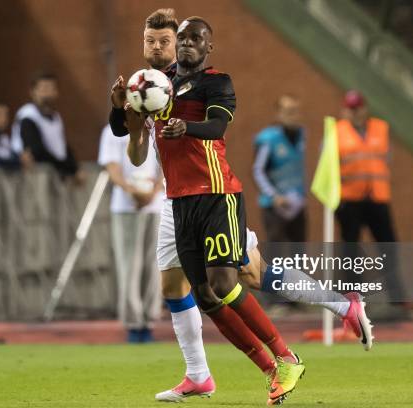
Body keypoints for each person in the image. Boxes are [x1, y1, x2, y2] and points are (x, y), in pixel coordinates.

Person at [111, 9, 373, 404]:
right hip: (177, 199)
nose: (162, 47)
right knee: (194, 288)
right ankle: (201, 373)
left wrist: (183, 125)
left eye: (167, 40)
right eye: (153, 41)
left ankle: (325, 319)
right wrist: (123, 111)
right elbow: (130, 140)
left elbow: (215, 125)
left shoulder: (206, 82)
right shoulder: (149, 87)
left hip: (214, 194)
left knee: (244, 276)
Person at [335, 90, 408, 314]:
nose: (355, 112)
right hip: (349, 200)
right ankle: (353, 300)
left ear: (365, 108)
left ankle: (398, 298)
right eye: (351, 108)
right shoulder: (336, 132)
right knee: (351, 252)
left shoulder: (380, 128)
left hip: (377, 198)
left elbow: (386, 158)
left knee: (388, 247)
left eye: (358, 107)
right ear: (345, 110)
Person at [98, 124, 164, 343]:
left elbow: (165, 165)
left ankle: (149, 320)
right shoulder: (112, 131)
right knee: (130, 265)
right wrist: (132, 192)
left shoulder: (158, 127)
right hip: (126, 206)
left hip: (155, 205)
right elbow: (112, 167)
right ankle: (133, 323)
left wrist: (153, 192)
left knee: (154, 265)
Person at [11, 72, 85, 183]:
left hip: (55, 176)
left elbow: (62, 146)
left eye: (51, 88)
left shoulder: (56, 117)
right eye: (44, 88)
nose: (48, 93)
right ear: (33, 91)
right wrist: (68, 168)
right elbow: (36, 151)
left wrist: (74, 168)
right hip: (35, 177)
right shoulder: (27, 115)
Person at [253, 94, 307, 242]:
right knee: (276, 255)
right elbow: (258, 171)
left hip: (297, 204)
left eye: (295, 111)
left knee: (299, 255)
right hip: (275, 206)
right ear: (279, 113)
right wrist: (274, 196)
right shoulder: (267, 139)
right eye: (288, 111)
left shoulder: (301, 134)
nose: (293, 116)